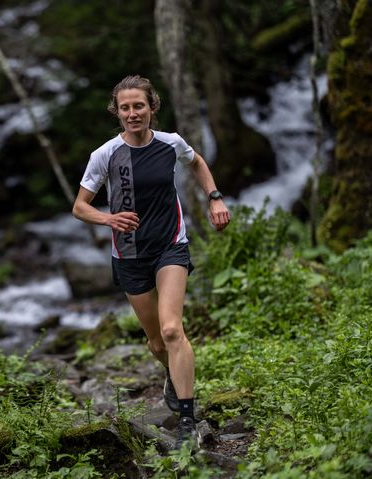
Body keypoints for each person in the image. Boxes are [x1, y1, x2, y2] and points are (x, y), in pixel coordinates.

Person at [72, 75, 230, 449]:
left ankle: (188, 419)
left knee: (173, 330)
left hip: (170, 246)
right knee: (157, 342)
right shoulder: (105, 154)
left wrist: (215, 197)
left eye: (138, 106)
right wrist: (108, 218)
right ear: (117, 111)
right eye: (125, 107)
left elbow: (197, 162)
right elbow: (80, 207)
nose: (132, 113)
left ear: (152, 108)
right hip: (128, 254)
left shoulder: (170, 143)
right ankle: (172, 375)